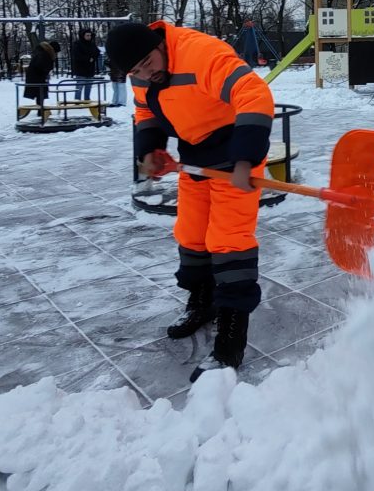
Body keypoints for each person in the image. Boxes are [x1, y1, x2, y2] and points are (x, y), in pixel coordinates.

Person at [105, 20, 274, 382]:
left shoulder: (202, 53)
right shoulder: (141, 70)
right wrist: (150, 150)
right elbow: (145, 111)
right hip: (195, 152)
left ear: (159, 44)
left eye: (148, 63)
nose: (145, 73)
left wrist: (245, 158)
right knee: (192, 233)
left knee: (229, 241)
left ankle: (231, 337)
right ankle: (204, 301)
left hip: (235, 150)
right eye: (136, 70)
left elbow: (254, 93)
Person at [23, 39, 59, 106]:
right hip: (38, 77)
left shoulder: (42, 51)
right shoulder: (44, 54)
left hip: (36, 76)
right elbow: (40, 65)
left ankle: (40, 108)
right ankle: (40, 109)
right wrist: (46, 70)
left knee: (40, 93)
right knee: (40, 92)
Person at [70, 27, 100, 100]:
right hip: (81, 69)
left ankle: (87, 99)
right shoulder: (77, 44)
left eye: (90, 35)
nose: (89, 37)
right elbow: (77, 55)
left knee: (88, 86)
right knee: (79, 86)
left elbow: (97, 52)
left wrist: (93, 58)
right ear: (83, 36)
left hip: (90, 69)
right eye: (87, 35)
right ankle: (77, 100)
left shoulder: (92, 44)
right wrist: (88, 59)